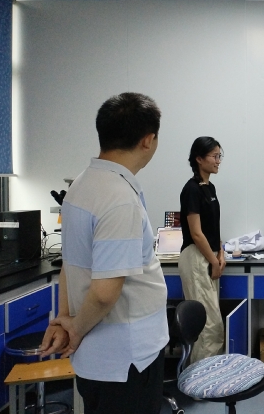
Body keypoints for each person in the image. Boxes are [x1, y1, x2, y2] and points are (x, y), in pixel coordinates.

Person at [40, 92, 169, 414]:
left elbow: (70, 265)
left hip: (98, 358)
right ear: (148, 140)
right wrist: (73, 329)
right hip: (127, 359)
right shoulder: (119, 198)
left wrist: (65, 319)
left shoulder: (80, 187)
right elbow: (104, 293)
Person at [178, 136, 226, 362]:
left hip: (209, 256)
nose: (218, 161)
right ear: (199, 159)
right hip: (197, 258)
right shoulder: (192, 190)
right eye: (214, 156)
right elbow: (196, 233)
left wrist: (221, 252)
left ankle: (210, 371)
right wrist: (214, 261)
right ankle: (201, 375)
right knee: (207, 325)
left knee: (213, 321)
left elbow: (212, 227)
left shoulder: (210, 188)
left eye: (219, 156)